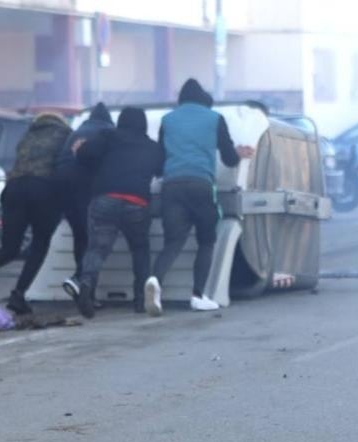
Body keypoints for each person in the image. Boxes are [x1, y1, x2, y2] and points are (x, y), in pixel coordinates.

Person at [149, 78, 254, 315]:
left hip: (172, 186)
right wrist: (238, 154)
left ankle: (155, 282)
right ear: (203, 100)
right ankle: (198, 295)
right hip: (201, 184)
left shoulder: (167, 120)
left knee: (173, 242)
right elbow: (228, 158)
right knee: (206, 241)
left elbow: (158, 161)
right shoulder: (214, 119)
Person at [0, 113, 71, 315]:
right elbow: (66, 167)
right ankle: (19, 294)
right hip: (42, 189)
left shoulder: (27, 137)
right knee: (40, 244)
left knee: (10, 247)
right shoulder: (66, 135)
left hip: (13, 189)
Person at [65, 107, 165, 319]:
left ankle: (85, 286)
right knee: (140, 249)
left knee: (97, 249)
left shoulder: (108, 137)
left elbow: (83, 155)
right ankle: (140, 300)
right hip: (137, 202)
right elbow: (161, 170)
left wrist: (79, 148)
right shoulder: (152, 147)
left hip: (105, 199)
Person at [56, 102, 114, 294]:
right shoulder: (107, 131)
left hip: (62, 184)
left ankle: (80, 284)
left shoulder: (77, 131)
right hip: (84, 185)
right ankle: (82, 283)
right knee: (91, 237)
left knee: (80, 235)